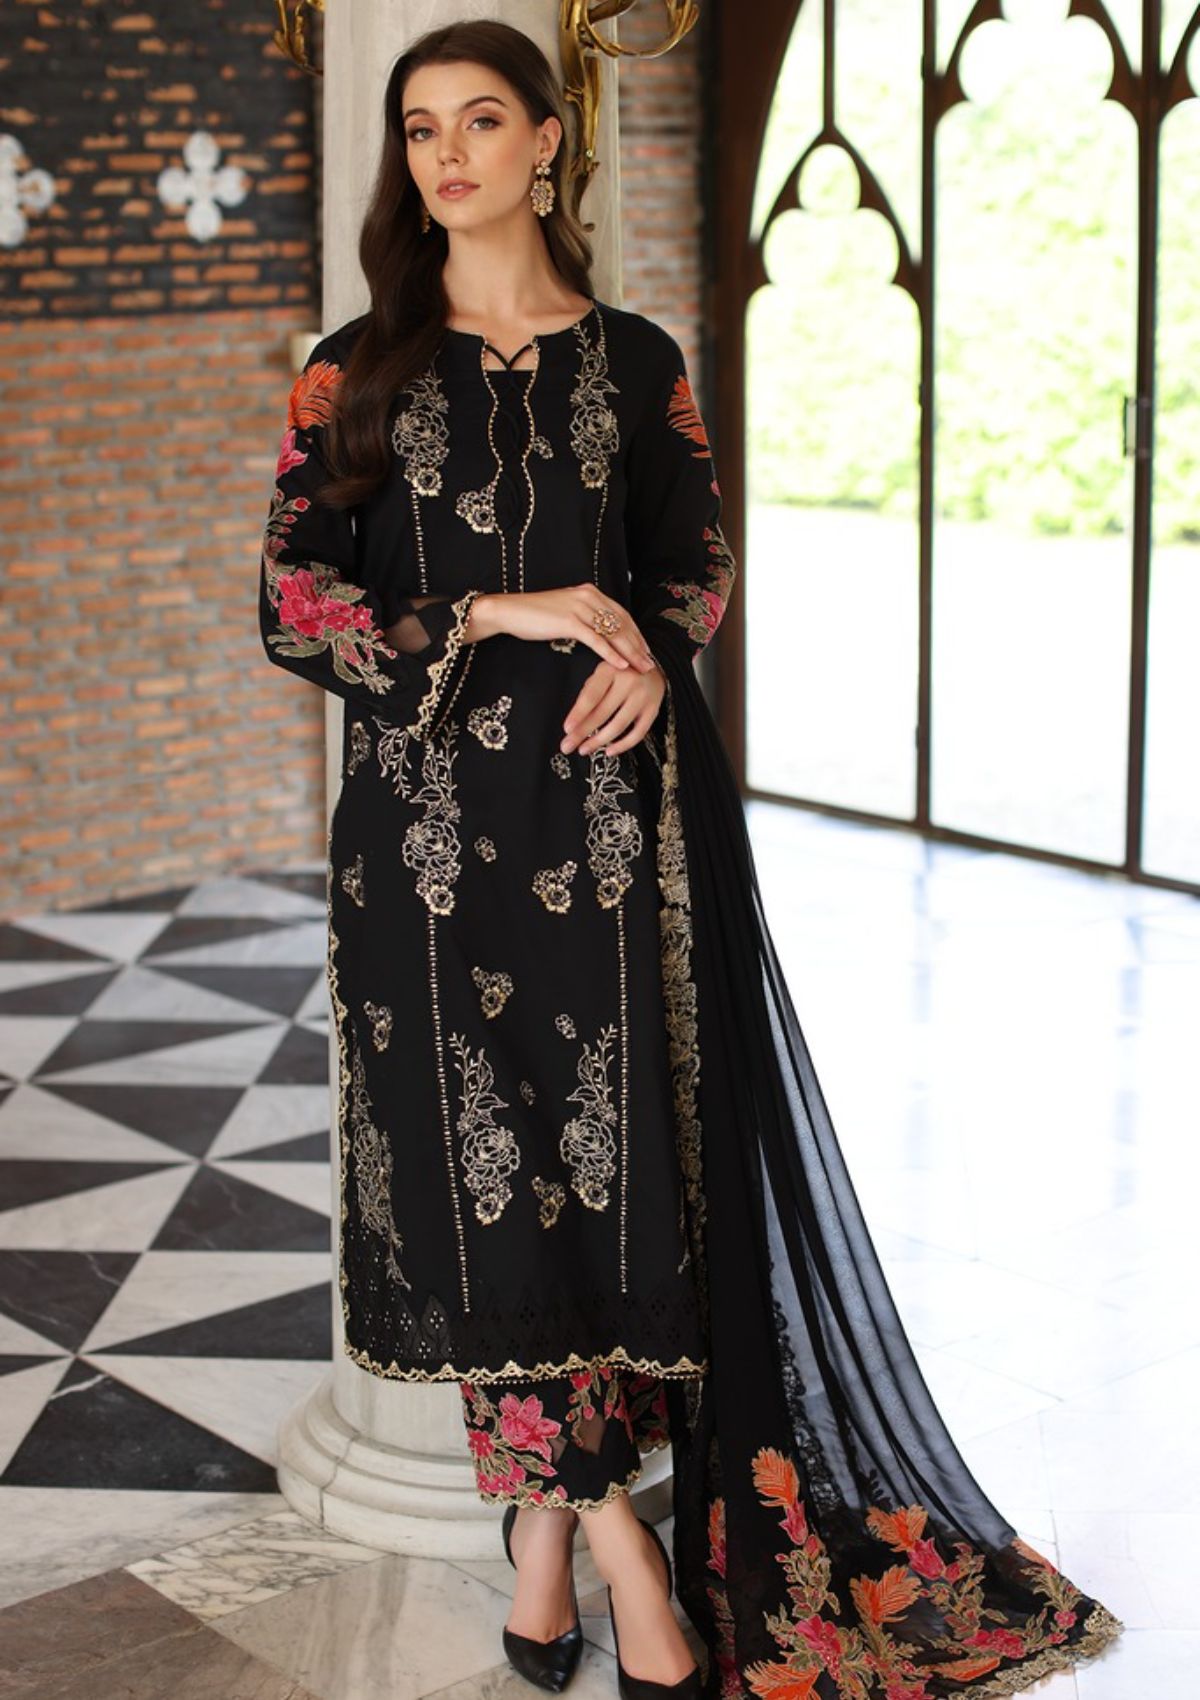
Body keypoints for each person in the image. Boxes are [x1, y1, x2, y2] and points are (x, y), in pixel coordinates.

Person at [257, 19, 1126, 1700]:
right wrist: (491, 609)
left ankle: (539, 1545)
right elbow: (295, 604)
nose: (448, 155)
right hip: (426, 867)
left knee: (612, 1192)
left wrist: (659, 655)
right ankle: (622, 1548)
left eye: (481, 121)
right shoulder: (351, 370)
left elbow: (696, 563)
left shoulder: (636, 361)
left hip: (613, 842)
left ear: (548, 141)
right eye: (421, 128)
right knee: (478, 1198)